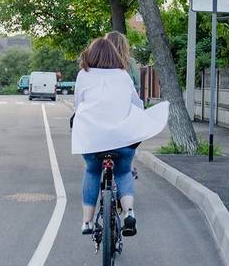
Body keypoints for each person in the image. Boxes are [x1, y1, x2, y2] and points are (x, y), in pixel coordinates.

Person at [72, 35, 169, 237]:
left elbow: (78, 105)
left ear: (91, 54)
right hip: (122, 138)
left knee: (92, 172)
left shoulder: (84, 74)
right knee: (123, 172)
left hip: (92, 139)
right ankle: (129, 213)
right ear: (114, 55)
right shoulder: (123, 75)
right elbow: (137, 104)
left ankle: (87, 222)